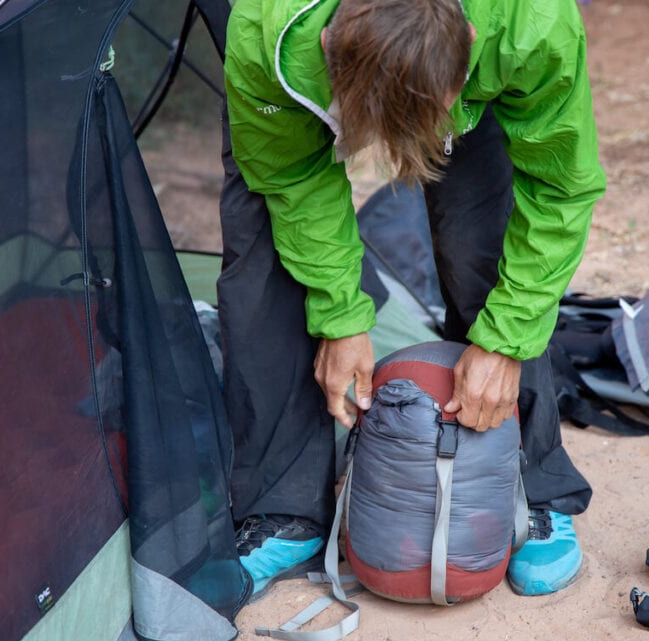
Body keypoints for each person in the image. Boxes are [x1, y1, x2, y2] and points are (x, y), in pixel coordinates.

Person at [219, 0, 606, 598]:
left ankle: (532, 484)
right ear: (327, 46)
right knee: (261, 238)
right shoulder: (267, 31)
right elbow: (291, 177)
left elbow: (559, 184)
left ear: (470, 40)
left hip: (481, 76)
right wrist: (340, 315)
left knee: (484, 242)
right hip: (300, 83)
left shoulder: (532, 23)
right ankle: (283, 504)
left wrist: (505, 341)